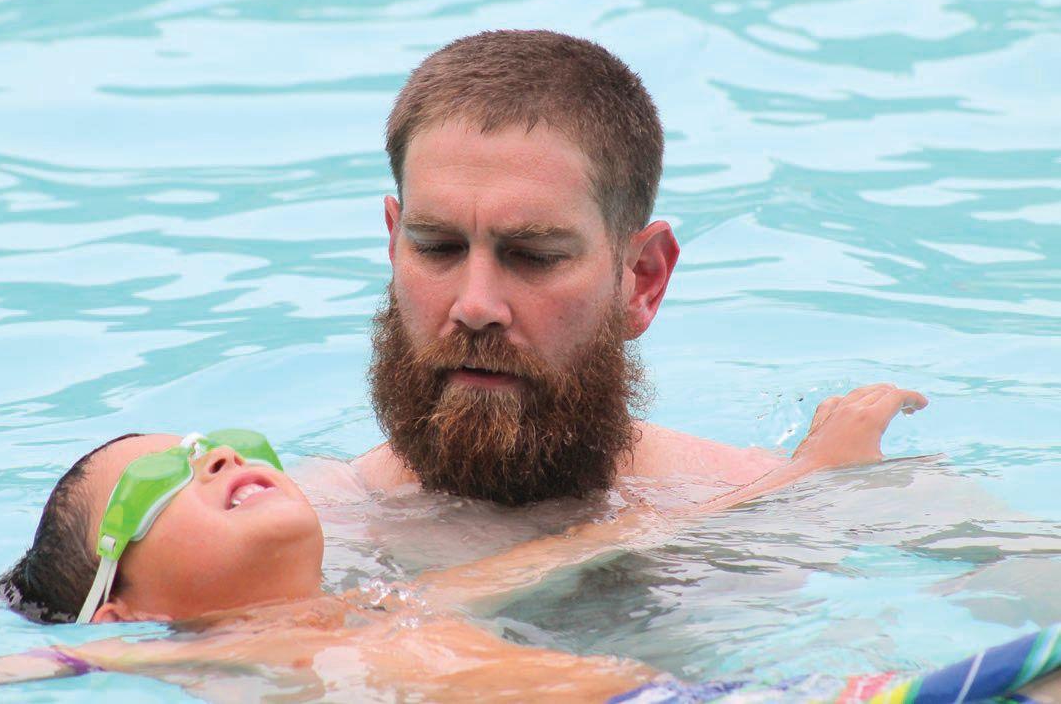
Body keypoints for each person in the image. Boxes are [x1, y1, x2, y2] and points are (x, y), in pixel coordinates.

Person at [306, 29, 928, 507]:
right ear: (394, 245)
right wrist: (787, 496)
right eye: (437, 247)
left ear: (643, 280)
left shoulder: (796, 492)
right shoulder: (314, 522)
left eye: (536, 257)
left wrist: (812, 495)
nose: (475, 306)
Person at [0, 433, 1059, 703]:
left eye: (222, 443)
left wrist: (810, 472)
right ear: (122, 601)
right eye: (156, 481)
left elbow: (594, 545)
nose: (214, 457)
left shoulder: (387, 603)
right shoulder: (183, 658)